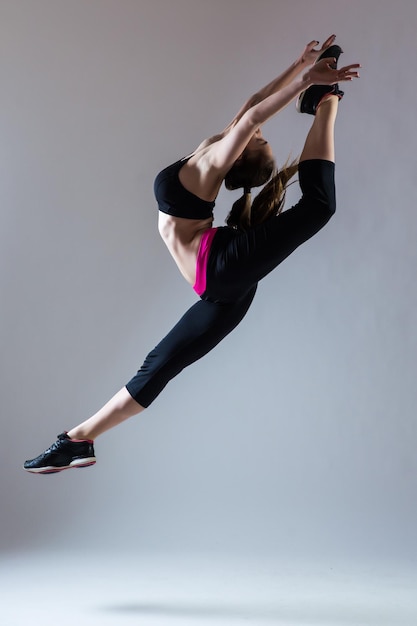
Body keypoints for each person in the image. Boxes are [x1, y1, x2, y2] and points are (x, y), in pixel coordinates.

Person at [24, 35, 360, 474]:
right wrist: (298, 66)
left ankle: (326, 100)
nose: (259, 133)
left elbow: (256, 113)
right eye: (261, 138)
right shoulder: (212, 151)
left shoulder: (209, 166)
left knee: (319, 207)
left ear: (242, 153)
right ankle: (77, 440)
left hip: (222, 269)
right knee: (160, 365)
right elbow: (253, 104)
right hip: (220, 281)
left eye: (259, 140)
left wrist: (306, 83)